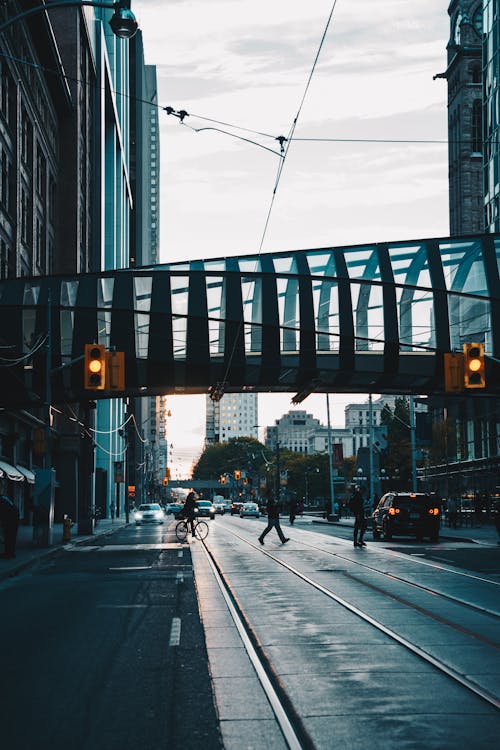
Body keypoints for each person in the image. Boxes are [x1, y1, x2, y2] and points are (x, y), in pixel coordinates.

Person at [0, 494, 20, 559]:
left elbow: (3, 512)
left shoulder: (2, 500)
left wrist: (3, 523)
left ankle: (8, 554)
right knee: (11, 537)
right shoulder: (4, 497)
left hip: (10, 519)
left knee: (8, 536)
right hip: (14, 517)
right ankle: (11, 553)